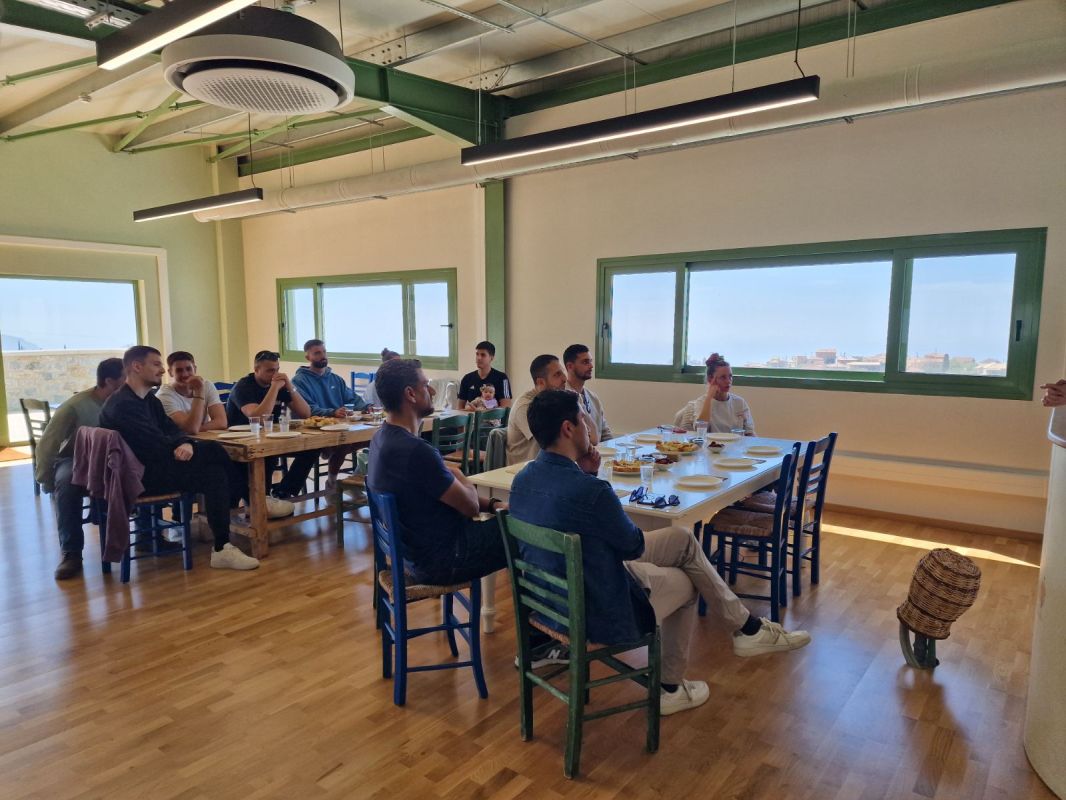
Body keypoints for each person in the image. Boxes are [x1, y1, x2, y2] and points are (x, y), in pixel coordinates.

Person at [509, 390, 811, 715]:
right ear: (568, 428)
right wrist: (593, 480)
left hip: (549, 600)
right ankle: (671, 686)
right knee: (689, 581)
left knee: (682, 539)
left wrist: (590, 476)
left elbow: (591, 529)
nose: (588, 426)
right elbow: (632, 546)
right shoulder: (591, 491)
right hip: (597, 608)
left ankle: (747, 629)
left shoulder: (523, 479)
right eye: (583, 419)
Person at [99, 346, 259, 571]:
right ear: (136, 367)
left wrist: (185, 443)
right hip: (138, 478)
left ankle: (223, 547)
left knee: (215, 474)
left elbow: (172, 430)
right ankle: (253, 500)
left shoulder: (148, 399)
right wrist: (187, 444)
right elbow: (154, 446)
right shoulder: (123, 405)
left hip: (154, 466)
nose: (162, 370)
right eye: (156, 364)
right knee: (213, 450)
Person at [367, 358, 508, 585]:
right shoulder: (417, 451)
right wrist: (460, 476)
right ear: (410, 394)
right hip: (444, 561)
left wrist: (493, 505)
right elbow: (470, 507)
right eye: (426, 385)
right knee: (525, 527)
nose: (432, 391)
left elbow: (444, 489)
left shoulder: (380, 438)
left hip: (411, 556)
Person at [37, 358, 126, 580]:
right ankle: (72, 553)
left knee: (141, 471)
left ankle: (146, 537)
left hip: (114, 458)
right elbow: (49, 442)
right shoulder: (75, 406)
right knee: (67, 483)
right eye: (126, 378)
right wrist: (46, 479)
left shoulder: (128, 401)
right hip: (75, 459)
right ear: (110, 381)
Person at [227, 350, 315, 500]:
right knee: (265, 457)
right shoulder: (243, 386)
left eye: (277, 370)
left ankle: (284, 491)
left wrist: (290, 386)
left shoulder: (280, 384)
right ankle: (262, 501)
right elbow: (258, 419)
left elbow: (305, 413)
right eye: (270, 371)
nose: (275, 374)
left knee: (311, 448)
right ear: (256, 370)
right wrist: (274, 388)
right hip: (242, 442)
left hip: (270, 439)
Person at [292, 339, 367, 490]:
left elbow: (352, 398)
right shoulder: (299, 381)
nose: (323, 356)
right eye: (317, 353)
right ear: (308, 357)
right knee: (344, 442)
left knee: (375, 439)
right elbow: (308, 409)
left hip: (340, 428)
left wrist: (366, 407)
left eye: (324, 352)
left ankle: (356, 481)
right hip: (315, 431)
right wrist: (332, 412)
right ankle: (332, 484)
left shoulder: (335, 379)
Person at [506, 354, 574, 465]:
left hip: (550, 466)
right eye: (557, 375)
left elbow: (589, 437)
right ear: (540, 382)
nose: (564, 379)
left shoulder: (554, 401)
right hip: (524, 470)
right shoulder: (525, 407)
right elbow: (552, 444)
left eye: (563, 373)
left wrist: (578, 404)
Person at [674, 353, 755, 435]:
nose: (728, 381)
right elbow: (700, 429)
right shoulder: (701, 402)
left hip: (736, 443)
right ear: (710, 379)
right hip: (711, 443)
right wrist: (709, 397)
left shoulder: (740, 402)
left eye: (730, 376)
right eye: (723, 377)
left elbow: (750, 433)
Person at [156, 351, 228, 434]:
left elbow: (221, 422)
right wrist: (199, 391)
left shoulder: (207, 385)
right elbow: (191, 429)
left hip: (200, 437)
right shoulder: (164, 395)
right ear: (170, 372)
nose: (185, 374)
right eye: (179, 370)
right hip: (176, 441)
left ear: (195, 369)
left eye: (188, 369)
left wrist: (196, 428)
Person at [563, 343, 613, 442]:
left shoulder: (593, 398)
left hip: (599, 450)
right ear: (570, 366)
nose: (591, 366)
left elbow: (605, 434)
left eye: (590, 361)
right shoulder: (561, 398)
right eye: (585, 362)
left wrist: (614, 448)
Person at [457, 341, 512, 410]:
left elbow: (506, 407)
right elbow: (459, 408)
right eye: (477, 354)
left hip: (493, 417)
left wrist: (482, 412)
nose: (479, 358)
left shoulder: (502, 378)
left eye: (483, 355)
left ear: (491, 357)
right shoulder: (467, 378)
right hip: (471, 416)